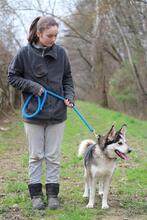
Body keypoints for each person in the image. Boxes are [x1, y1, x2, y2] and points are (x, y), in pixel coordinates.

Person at [8, 16, 75, 210]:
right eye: (49, 36)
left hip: (57, 113)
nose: (53, 39)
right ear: (39, 33)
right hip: (33, 114)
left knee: (53, 156)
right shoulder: (23, 53)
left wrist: (69, 95)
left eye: (56, 35)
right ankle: (36, 195)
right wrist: (32, 86)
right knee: (36, 155)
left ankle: (53, 195)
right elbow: (12, 76)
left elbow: (68, 78)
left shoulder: (61, 53)